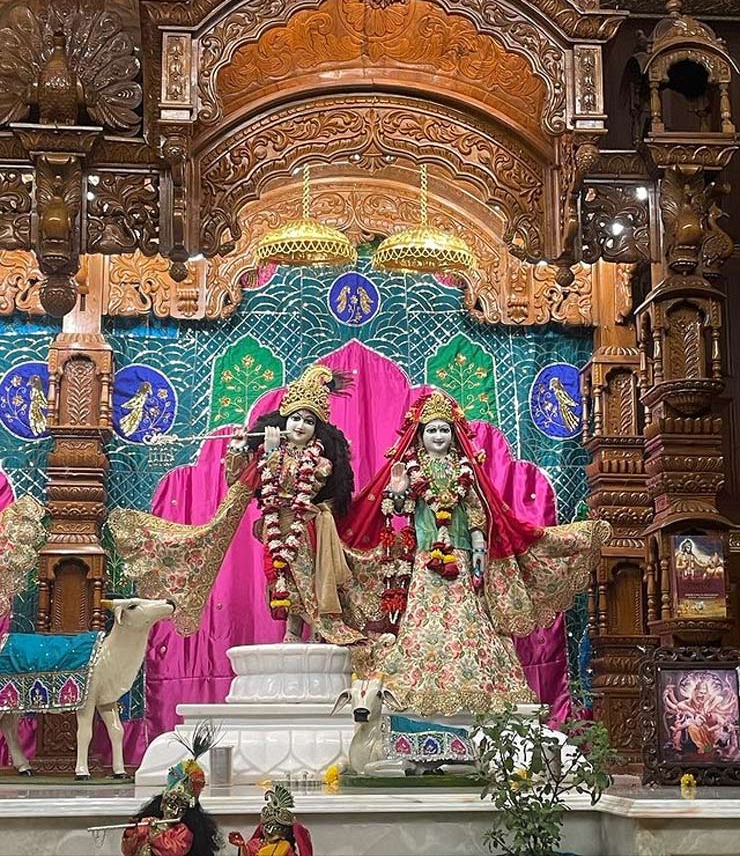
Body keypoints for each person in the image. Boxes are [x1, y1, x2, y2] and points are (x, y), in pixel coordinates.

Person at [340, 390, 610, 716]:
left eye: (444, 429)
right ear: (420, 435)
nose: (438, 436)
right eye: (431, 430)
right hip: (426, 559)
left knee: (468, 618)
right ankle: (419, 688)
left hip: (463, 558)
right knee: (422, 620)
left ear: (454, 435)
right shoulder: (411, 470)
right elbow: (399, 510)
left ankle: (475, 685)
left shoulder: (465, 471)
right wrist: (398, 493)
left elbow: (477, 513)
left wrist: (480, 549)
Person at [223, 364, 362, 644]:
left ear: (317, 429)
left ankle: (319, 628)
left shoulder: (320, 462)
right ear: (283, 420)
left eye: (309, 421)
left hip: (306, 527)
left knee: (307, 576)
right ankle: (293, 630)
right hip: (275, 524)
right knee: (282, 576)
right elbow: (240, 485)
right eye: (296, 418)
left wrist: (273, 454)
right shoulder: (267, 452)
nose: (300, 425)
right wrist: (240, 448)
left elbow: (296, 483)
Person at [121, 722, 220, 856]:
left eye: (180, 807)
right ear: (162, 803)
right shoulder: (147, 822)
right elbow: (128, 850)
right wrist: (131, 833)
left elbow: (173, 850)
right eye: (171, 804)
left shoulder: (182, 832)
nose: (174, 810)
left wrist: (154, 832)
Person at [229, 785, 313, 856]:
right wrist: (241, 846)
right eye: (268, 826)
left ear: (284, 833)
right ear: (263, 828)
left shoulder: (285, 846)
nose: (271, 831)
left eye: (277, 828)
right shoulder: (255, 844)